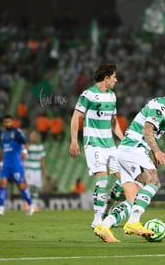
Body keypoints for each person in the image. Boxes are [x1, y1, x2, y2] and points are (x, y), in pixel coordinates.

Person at [94, 75, 165, 243]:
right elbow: (147, 129)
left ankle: (104, 226)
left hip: (127, 151)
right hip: (133, 149)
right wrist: (157, 151)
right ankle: (133, 222)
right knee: (154, 182)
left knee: (134, 200)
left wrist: (151, 152)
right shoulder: (162, 106)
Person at [69, 64, 124, 228]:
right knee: (102, 179)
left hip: (109, 144)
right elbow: (75, 117)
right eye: (114, 77)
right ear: (106, 78)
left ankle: (106, 212)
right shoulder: (88, 94)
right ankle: (97, 219)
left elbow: (114, 123)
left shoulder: (112, 96)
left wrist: (124, 139)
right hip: (93, 143)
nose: (116, 80)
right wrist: (73, 140)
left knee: (124, 180)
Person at [0, 115, 34, 215]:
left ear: (12, 122)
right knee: (2, 183)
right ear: (3, 123)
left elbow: (26, 143)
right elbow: (4, 149)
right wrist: (1, 161)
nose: (7, 124)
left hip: (16, 164)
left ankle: (31, 206)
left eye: (9, 122)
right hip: (6, 164)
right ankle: (1, 208)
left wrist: (25, 152)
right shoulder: (2, 135)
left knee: (20, 185)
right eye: (5, 122)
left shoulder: (17, 132)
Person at [24, 131, 47, 211]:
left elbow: (42, 159)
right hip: (29, 169)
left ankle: (35, 205)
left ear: (37, 138)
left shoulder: (40, 147)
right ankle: (27, 205)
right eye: (32, 136)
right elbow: (23, 157)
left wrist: (44, 171)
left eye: (35, 136)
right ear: (30, 138)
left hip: (37, 170)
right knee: (30, 186)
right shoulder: (27, 146)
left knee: (36, 187)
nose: (33, 138)